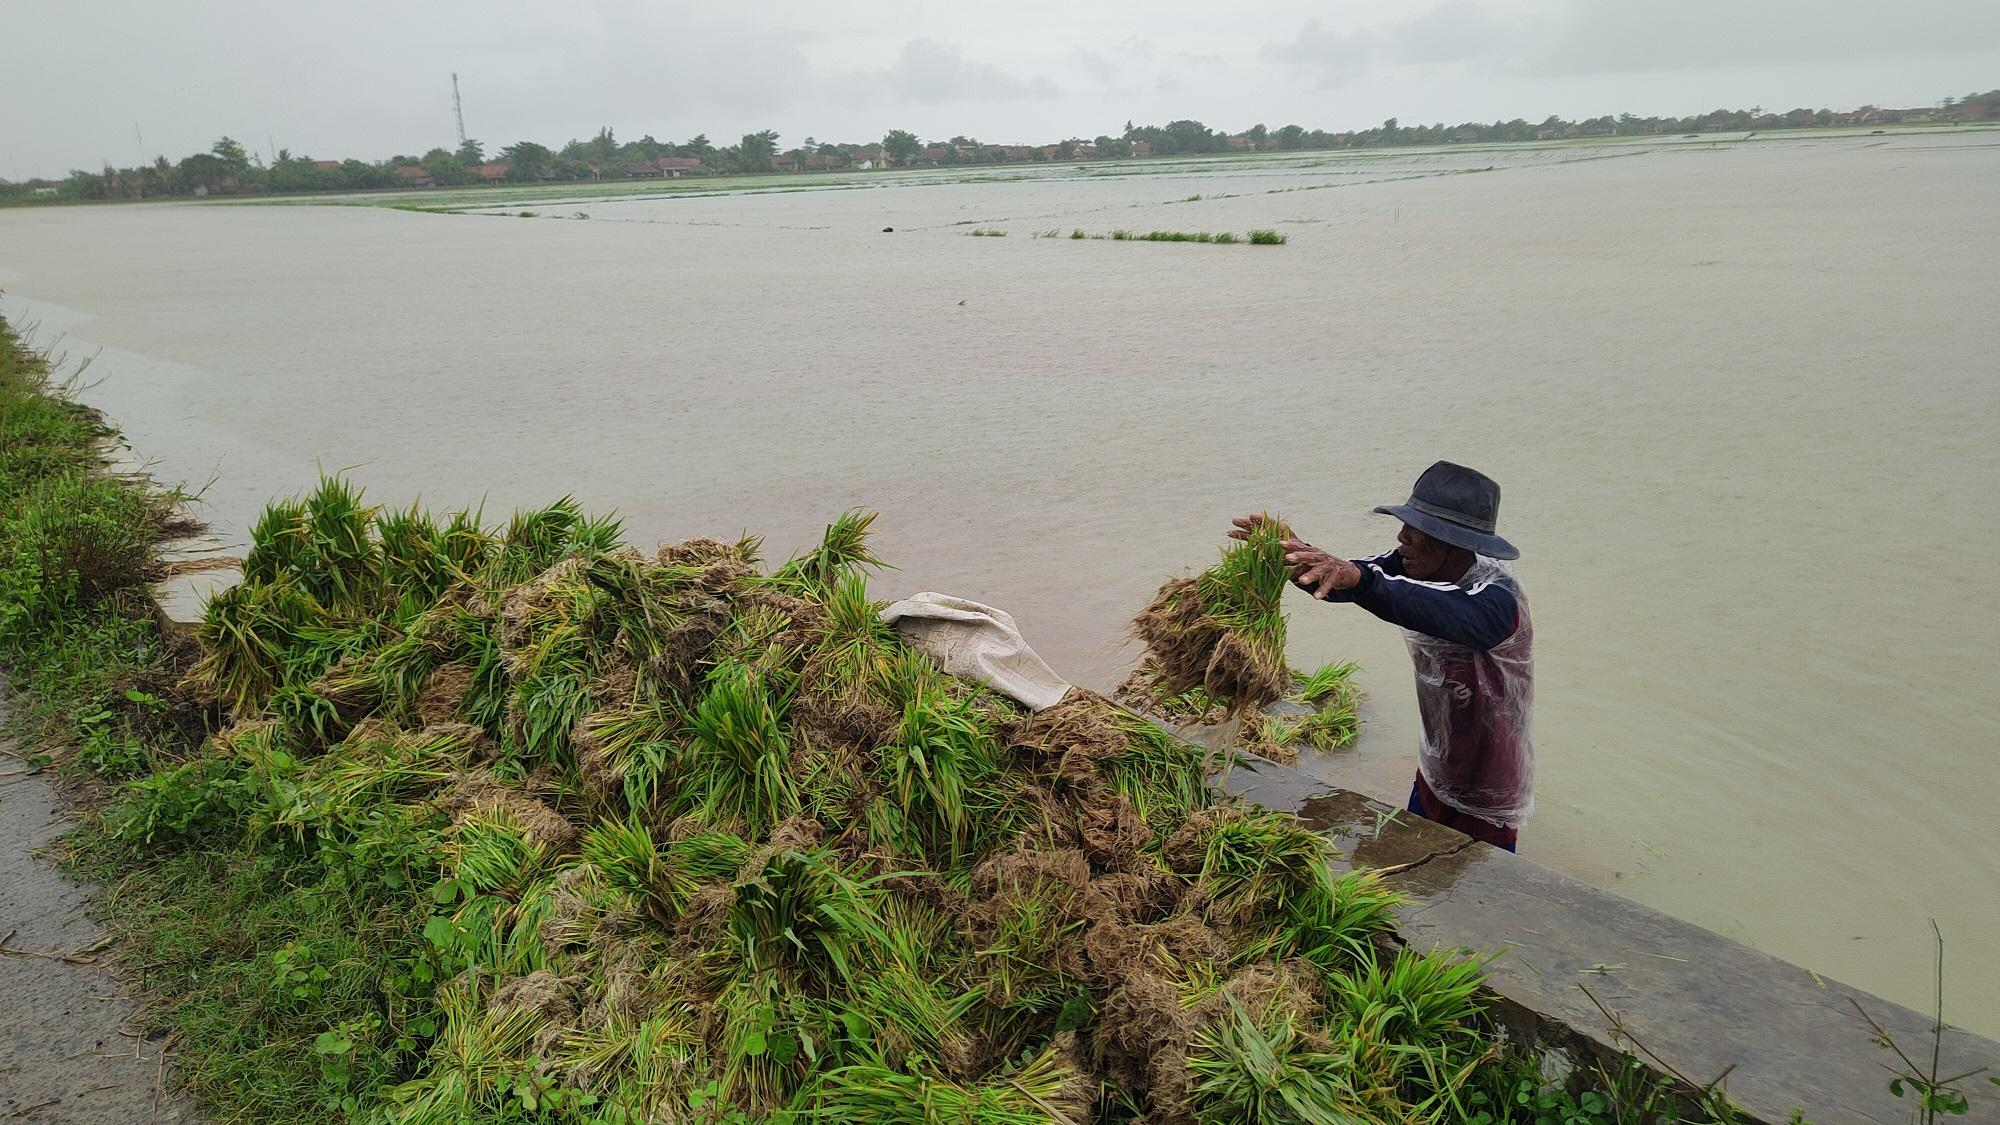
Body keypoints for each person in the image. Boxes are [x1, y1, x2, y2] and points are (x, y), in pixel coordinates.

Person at [1231, 461, 1533, 851]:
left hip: (1488, 784)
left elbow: (1431, 606)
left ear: (1451, 541)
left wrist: (1361, 580)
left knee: (1476, 896)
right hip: (1436, 772)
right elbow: (1349, 582)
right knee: (1411, 874)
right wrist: (1294, 552)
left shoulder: (1497, 601)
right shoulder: (1414, 565)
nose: (1402, 537)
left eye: (1417, 530)